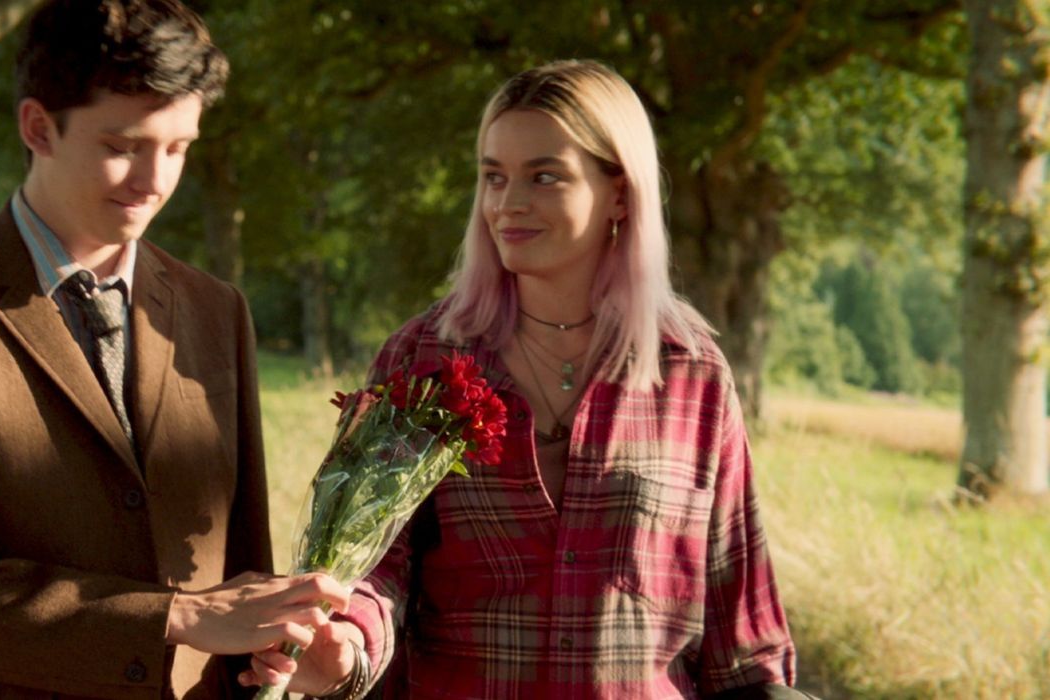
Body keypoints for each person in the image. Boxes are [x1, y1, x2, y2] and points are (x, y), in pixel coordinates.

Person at [242, 60, 802, 699]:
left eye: (545, 176)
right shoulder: (423, 357)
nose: (508, 204)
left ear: (620, 191)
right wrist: (346, 645)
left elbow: (742, 619)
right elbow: (375, 564)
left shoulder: (691, 372)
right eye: (493, 177)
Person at [0, 1, 348, 697]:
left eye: (179, 148)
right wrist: (175, 617)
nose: (156, 180)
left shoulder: (217, 310)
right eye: (123, 147)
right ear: (38, 127)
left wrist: (274, 651)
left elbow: (241, 563)